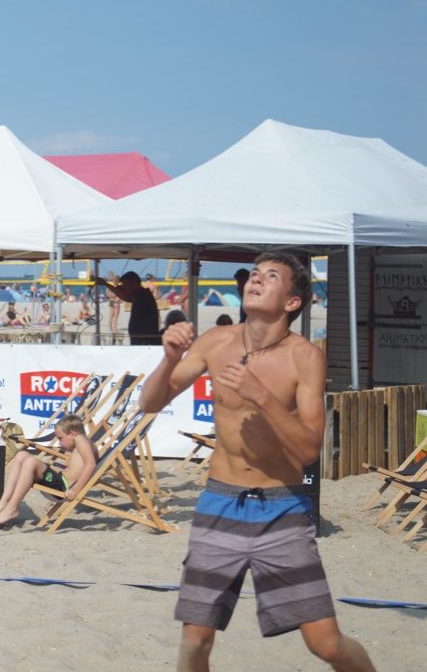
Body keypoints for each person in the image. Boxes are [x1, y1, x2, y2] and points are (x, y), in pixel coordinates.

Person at [140, 252, 376, 672]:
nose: (256, 280)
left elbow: (309, 450)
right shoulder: (216, 341)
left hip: (282, 507)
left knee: (326, 645)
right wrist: (170, 358)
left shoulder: (305, 356)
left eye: (270, 276)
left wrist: (262, 396)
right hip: (220, 501)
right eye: (254, 274)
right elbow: (150, 402)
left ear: (292, 302)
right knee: (194, 642)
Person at [0, 414, 98, 526]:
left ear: (72, 433)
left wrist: (75, 490)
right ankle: (4, 502)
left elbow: (91, 464)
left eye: (60, 438)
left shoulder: (81, 439)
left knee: (31, 462)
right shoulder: (84, 442)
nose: (59, 443)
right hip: (58, 481)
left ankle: (12, 508)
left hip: (63, 488)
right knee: (21, 455)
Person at [96, 271, 160, 345]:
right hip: (141, 338)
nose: (124, 287)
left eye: (125, 285)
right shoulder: (142, 293)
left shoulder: (142, 294)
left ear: (133, 283)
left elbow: (126, 296)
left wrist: (105, 284)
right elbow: (126, 296)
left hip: (145, 340)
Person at [105, 273, 122, 343]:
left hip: (111, 301)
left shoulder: (110, 287)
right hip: (116, 302)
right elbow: (120, 295)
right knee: (115, 317)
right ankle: (114, 330)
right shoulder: (118, 287)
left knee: (111, 316)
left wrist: (111, 297)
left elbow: (107, 294)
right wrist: (116, 297)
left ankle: (111, 329)